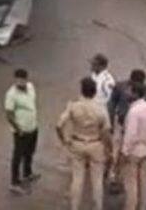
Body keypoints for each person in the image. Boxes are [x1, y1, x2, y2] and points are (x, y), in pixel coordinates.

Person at [56, 77, 112, 210]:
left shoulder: (73, 106)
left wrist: (64, 140)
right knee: (97, 180)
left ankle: (74, 207)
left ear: (82, 90)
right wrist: (109, 148)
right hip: (95, 143)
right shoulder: (100, 108)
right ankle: (98, 207)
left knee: (77, 178)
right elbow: (106, 131)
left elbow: (59, 125)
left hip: (77, 142)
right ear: (94, 92)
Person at [108, 69, 146, 187]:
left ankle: (123, 178)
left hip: (135, 128)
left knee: (126, 153)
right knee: (117, 153)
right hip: (123, 126)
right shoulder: (121, 87)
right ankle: (116, 177)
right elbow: (111, 106)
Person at [122, 83, 146, 210]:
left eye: (129, 90)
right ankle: (143, 207)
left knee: (131, 183)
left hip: (133, 151)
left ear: (136, 94)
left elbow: (131, 134)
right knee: (143, 181)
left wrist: (125, 151)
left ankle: (131, 207)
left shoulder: (133, 111)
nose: (127, 93)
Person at [6, 68, 40, 195]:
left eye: (22, 80)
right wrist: (18, 129)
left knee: (30, 152)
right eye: (17, 80)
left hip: (33, 127)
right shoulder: (11, 94)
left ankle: (27, 173)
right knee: (18, 156)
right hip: (21, 131)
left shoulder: (31, 87)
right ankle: (14, 183)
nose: (20, 82)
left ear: (26, 79)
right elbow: (9, 114)